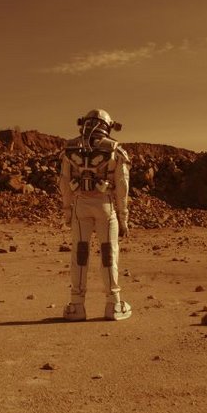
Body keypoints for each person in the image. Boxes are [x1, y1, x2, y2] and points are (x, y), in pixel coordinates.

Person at [58, 109, 133, 321]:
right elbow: (122, 187)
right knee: (109, 254)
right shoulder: (116, 151)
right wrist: (123, 217)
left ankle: (76, 305)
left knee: (80, 255)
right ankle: (114, 305)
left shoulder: (70, 149)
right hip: (105, 206)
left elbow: (64, 183)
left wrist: (66, 210)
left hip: (80, 206)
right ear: (108, 126)